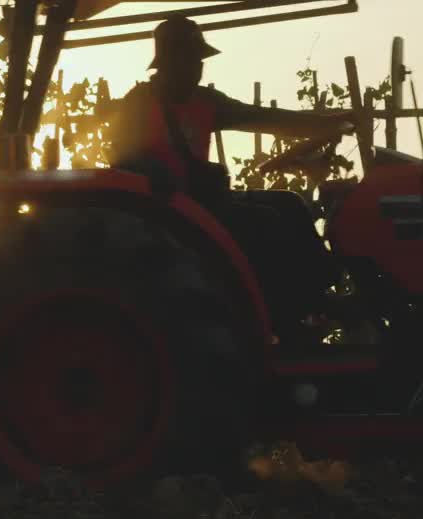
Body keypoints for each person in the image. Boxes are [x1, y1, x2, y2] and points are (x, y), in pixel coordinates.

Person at [106, 16, 355, 345]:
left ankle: (319, 292)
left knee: (289, 203)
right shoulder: (138, 104)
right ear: (167, 63)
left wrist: (328, 122)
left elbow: (265, 118)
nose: (197, 69)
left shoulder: (205, 102)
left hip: (202, 202)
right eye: (190, 60)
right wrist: (154, 172)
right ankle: (284, 319)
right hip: (166, 212)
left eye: (199, 61)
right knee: (264, 222)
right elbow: (120, 159)